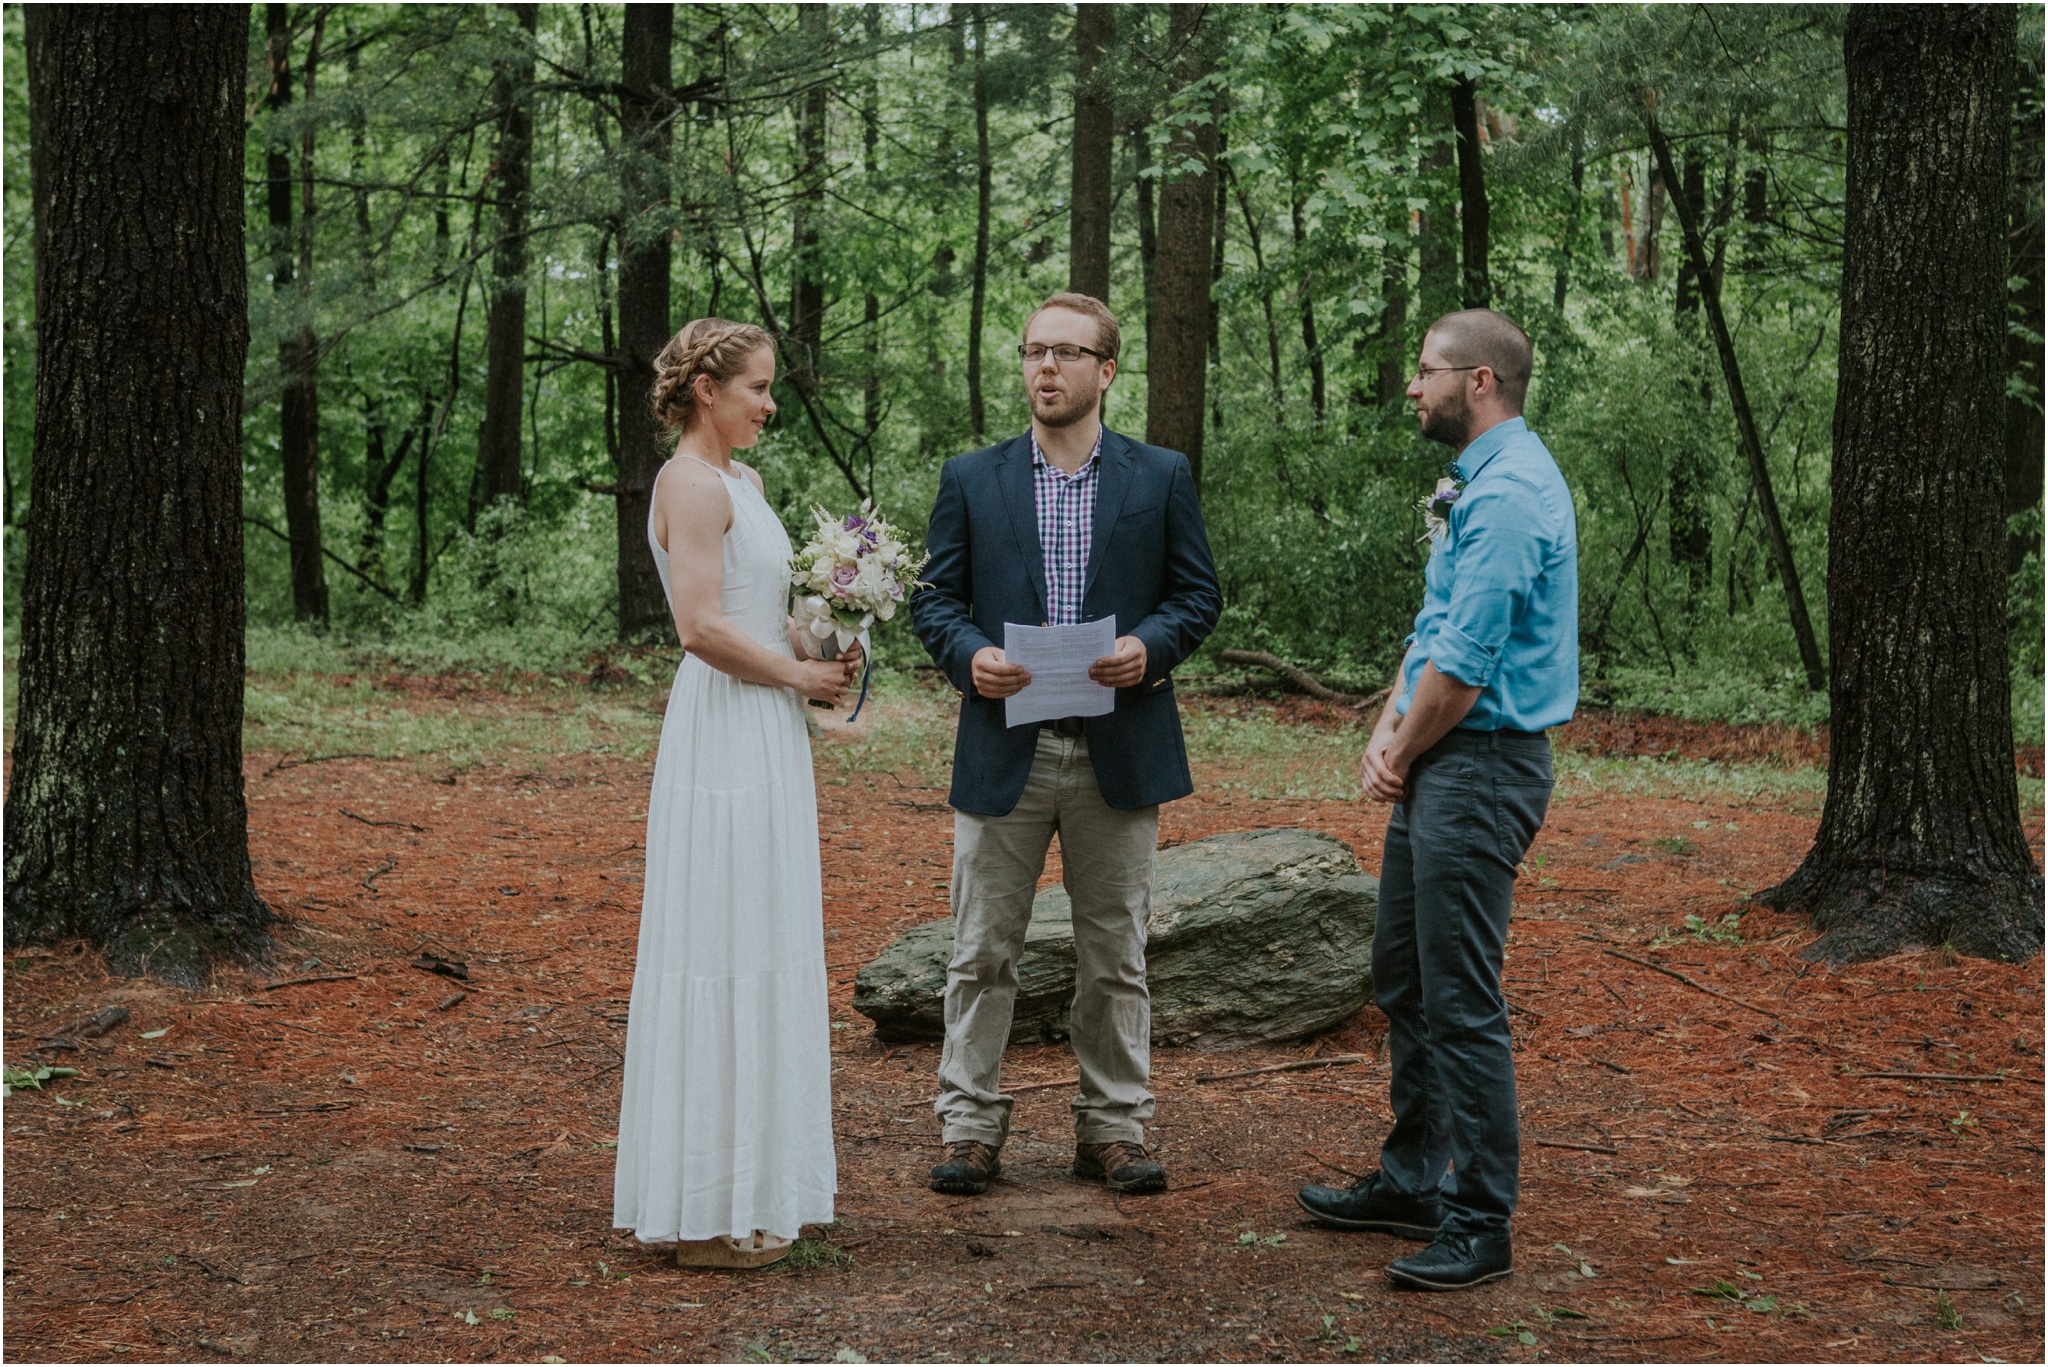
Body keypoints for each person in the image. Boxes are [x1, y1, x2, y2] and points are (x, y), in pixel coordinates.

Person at [911, 292, 1222, 1197]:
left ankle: (1113, 1127)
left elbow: (1198, 595)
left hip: (1117, 749)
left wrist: (1149, 648)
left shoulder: (1160, 475)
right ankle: (968, 1125)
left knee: (1116, 954)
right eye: (1034, 351)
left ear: (1107, 370)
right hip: (1004, 746)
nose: (1045, 367)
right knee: (980, 950)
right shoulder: (973, 476)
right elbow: (934, 599)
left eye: (1067, 352)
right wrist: (973, 657)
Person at [1296, 309, 1578, 1291]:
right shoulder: (1477, 481)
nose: (1412, 388)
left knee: (1459, 1000)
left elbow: (1463, 666)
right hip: (1440, 757)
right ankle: (1413, 1175)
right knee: (1402, 977)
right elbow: (1432, 626)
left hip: (1480, 764)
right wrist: (1388, 725)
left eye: (1426, 372)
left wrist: (1397, 752)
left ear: (1480, 384)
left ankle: (1478, 1219)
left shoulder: (1508, 496)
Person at [611, 319, 857, 1269]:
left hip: (767, 727)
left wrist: (823, 645)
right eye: (756, 387)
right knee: (721, 933)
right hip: (724, 726)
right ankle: (706, 1210)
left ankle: (764, 1185)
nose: (768, 404)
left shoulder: (745, 483)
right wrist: (794, 682)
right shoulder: (688, 482)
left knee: (765, 929)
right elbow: (701, 627)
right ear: (706, 389)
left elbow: (761, 616)